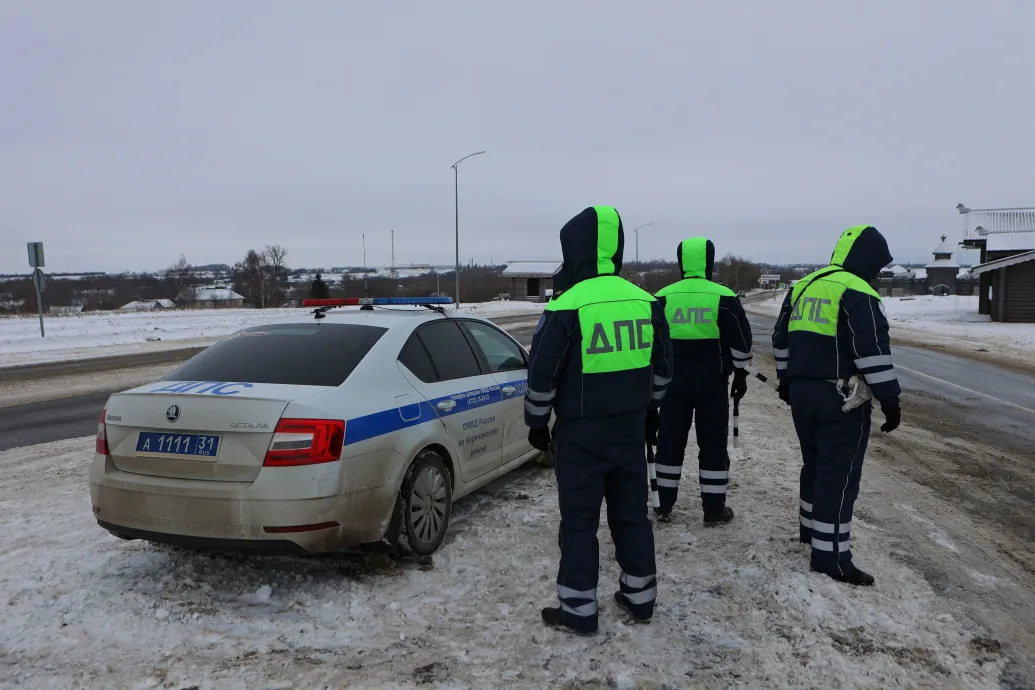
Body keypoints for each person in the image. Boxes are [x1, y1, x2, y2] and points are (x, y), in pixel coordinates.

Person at [524, 205, 674, 634]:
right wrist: (650, 410)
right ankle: (640, 598)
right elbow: (663, 370)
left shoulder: (566, 306)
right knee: (632, 516)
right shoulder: (647, 302)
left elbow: (542, 374)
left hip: (580, 435)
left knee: (579, 522)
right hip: (629, 430)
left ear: (575, 251)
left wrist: (536, 422)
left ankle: (578, 611)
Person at [772, 225, 902, 586]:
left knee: (814, 465)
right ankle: (831, 557)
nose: (876, 275)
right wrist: (890, 401)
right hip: (841, 399)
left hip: (802, 395)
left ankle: (811, 532)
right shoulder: (858, 292)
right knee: (840, 476)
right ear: (868, 261)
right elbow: (872, 353)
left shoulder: (803, 286)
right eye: (877, 266)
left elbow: (780, 341)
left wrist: (786, 381)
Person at [652, 238, 753, 525]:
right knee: (713, 445)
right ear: (709, 262)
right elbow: (741, 342)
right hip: (713, 383)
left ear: (681, 262)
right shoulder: (723, 296)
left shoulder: (663, 296)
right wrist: (741, 376)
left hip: (673, 385)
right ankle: (713, 509)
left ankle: (663, 505)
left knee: (670, 442)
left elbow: (654, 344)